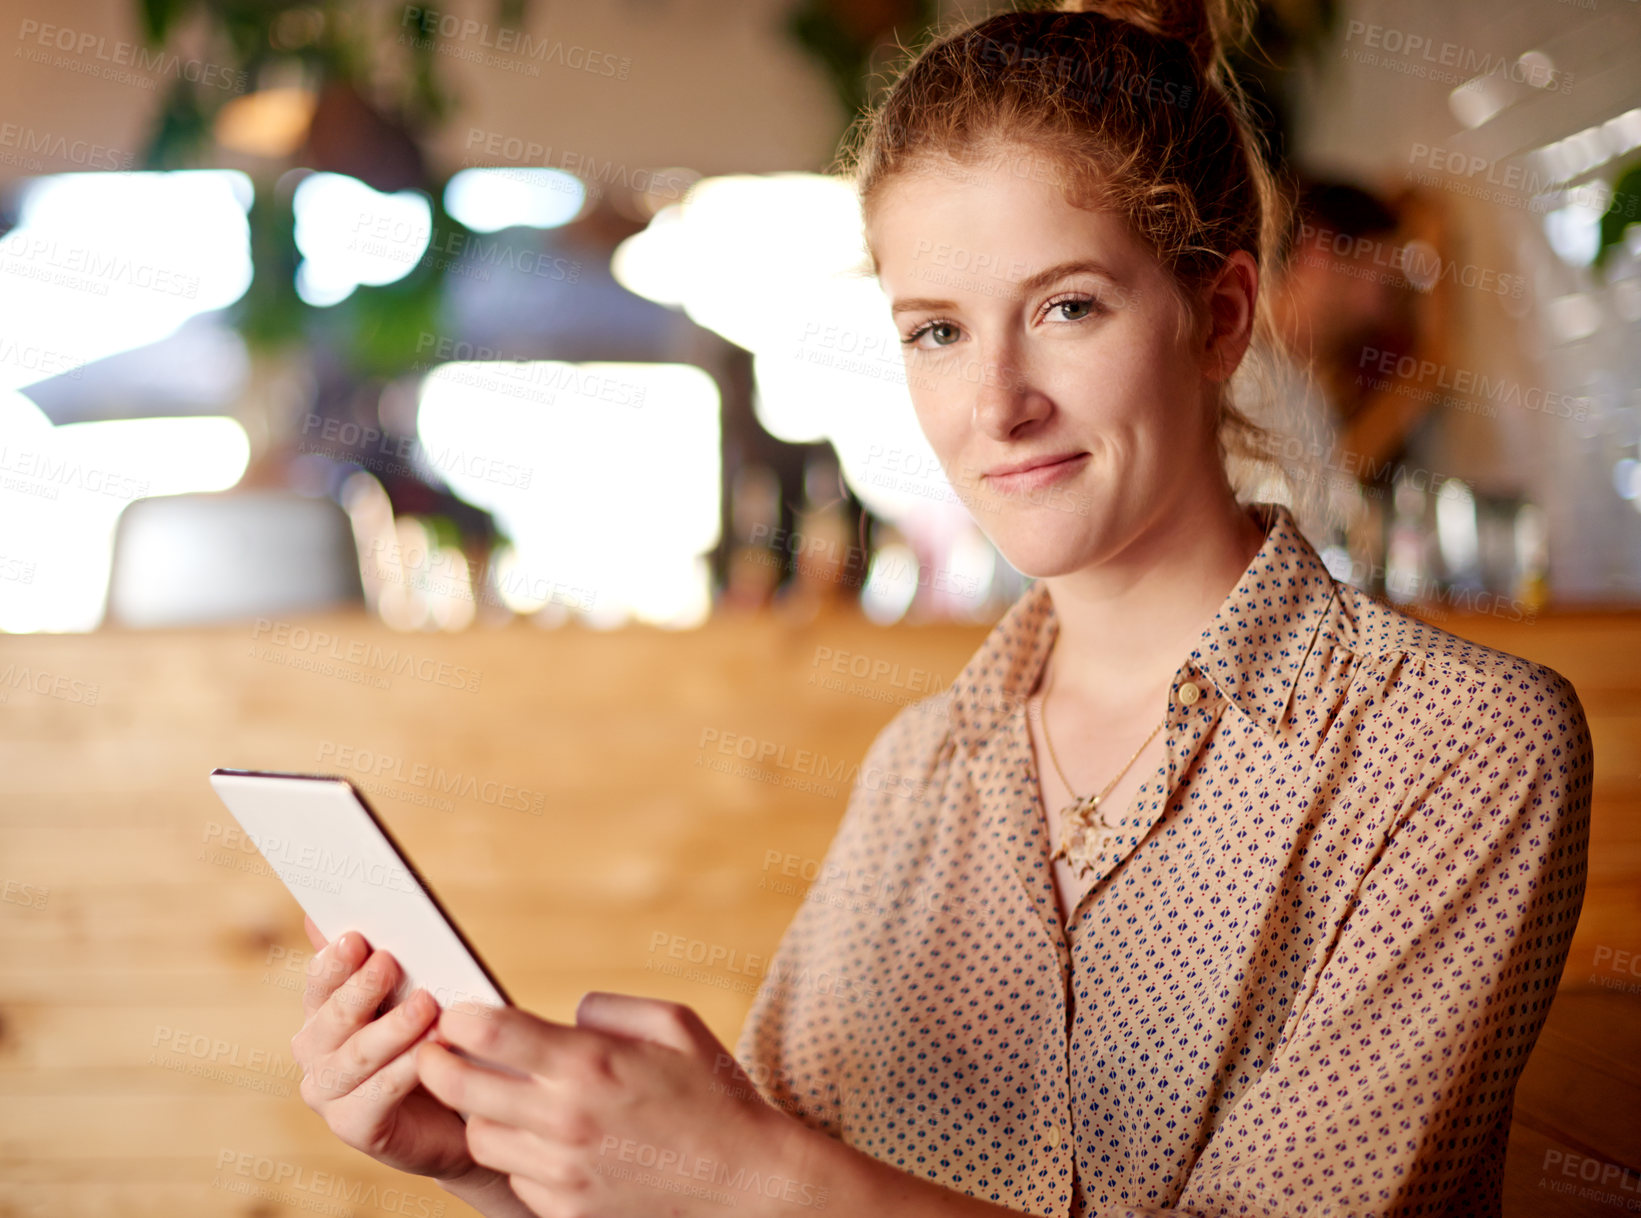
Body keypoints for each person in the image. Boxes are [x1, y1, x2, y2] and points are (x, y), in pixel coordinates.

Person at [287, 2, 1594, 1215]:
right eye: (935, 331)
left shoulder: (1456, 744)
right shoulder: (921, 767)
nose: (995, 405)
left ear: (1219, 314)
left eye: (1065, 308)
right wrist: (486, 1158)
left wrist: (751, 1172)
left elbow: (760, 1185)